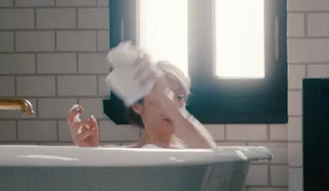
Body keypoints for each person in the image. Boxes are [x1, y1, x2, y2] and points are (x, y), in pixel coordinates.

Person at [66, 61, 217, 149]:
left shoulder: (194, 153)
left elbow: (212, 153)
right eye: (162, 96)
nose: (172, 105)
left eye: (179, 96)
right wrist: (89, 153)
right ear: (137, 105)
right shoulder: (121, 158)